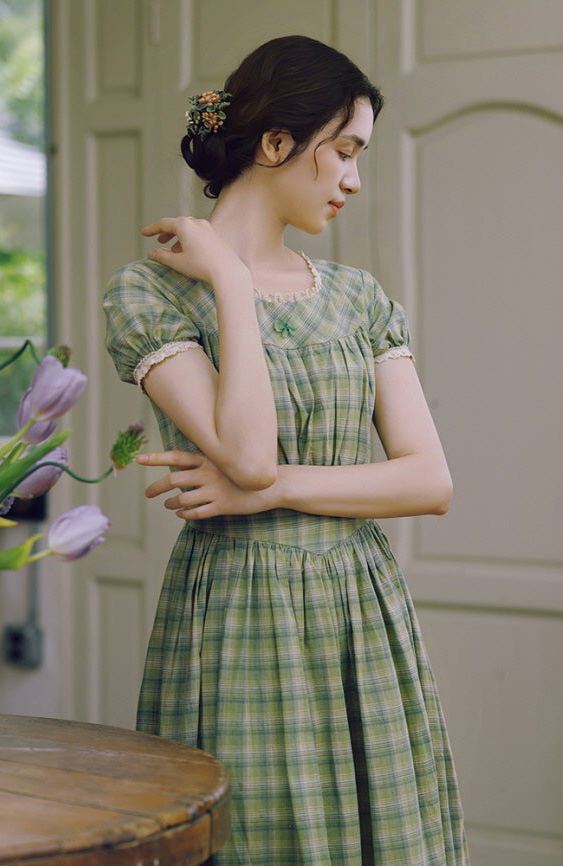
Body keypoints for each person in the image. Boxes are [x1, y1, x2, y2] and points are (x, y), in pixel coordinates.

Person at [104, 34, 469, 866]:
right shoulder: (150, 289)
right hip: (240, 610)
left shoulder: (357, 298)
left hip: (361, 608)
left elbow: (428, 479)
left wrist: (265, 494)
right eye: (343, 151)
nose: (352, 178)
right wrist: (232, 282)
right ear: (275, 144)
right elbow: (248, 451)